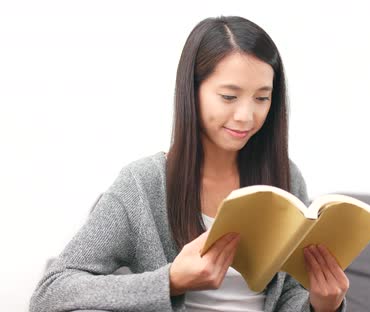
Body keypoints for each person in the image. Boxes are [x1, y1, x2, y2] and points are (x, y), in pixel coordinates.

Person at [29, 16, 348, 312]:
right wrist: (171, 280)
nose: (246, 116)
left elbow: (289, 294)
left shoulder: (286, 178)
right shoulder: (143, 184)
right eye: (228, 96)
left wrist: (321, 305)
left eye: (262, 98)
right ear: (191, 92)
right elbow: (51, 291)